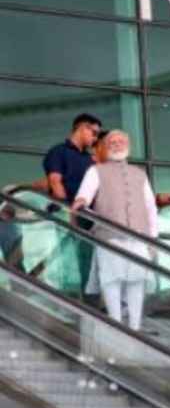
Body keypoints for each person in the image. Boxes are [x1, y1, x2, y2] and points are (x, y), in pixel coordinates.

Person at [71, 130, 158, 332]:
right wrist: (81, 201)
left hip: (139, 236)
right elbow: (84, 194)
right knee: (111, 280)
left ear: (128, 146)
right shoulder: (96, 171)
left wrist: (153, 238)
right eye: (112, 142)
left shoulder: (139, 174)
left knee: (137, 281)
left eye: (121, 141)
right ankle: (116, 324)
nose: (117, 144)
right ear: (105, 146)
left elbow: (150, 207)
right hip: (109, 236)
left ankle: (134, 327)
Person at [43, 113, 101, 293]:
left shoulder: (89, 159)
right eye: (94, 133)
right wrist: (68, 212)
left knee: (88, 260)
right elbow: (55, 181)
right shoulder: (59, 151)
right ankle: (71, 297)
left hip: (89, 217)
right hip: (67, 214)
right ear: (82, 128)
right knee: (69, 260)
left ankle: (87, 298)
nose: (95, 138)